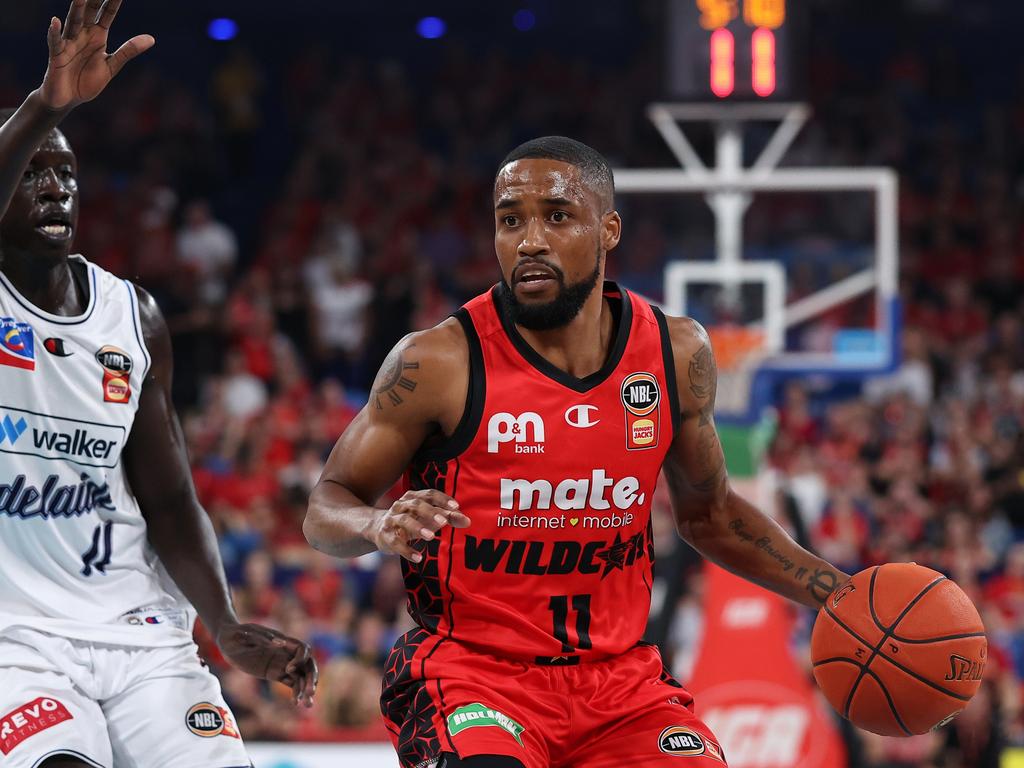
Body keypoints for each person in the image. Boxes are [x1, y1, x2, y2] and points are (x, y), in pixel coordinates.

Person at [304, 133, 851, 767]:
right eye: (511, 221)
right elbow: (324, 507)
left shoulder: (675, 355)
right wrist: (376, 523)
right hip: (474, 679)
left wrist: (839, 597)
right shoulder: (437, 361)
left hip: (619, 687)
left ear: (609, 229)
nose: (530, 239)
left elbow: (712, 516)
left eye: (556, 216)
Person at [0, 3, 316, 767]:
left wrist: (227, 622)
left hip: (141, 627)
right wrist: (48, 105)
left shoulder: (132, 316)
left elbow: (170, 500)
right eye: (33, 172)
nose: (54, 190)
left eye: (66, 173)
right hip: (20, 639)